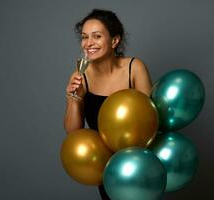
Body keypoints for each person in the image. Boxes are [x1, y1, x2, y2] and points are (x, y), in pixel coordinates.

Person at [63, 9, 152, 200]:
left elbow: (152, 121)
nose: (89, 43)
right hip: (107, 168)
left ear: (114, 41)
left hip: (140, 164)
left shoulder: (134, 68)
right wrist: (73, 98)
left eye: (97, 36)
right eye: (85, 37)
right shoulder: (81, 76)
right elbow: (73, 133)